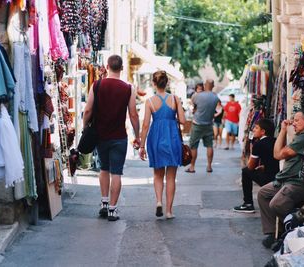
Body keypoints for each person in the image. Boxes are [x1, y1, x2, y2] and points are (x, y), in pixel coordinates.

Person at [83, 55, 140, 221]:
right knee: (116, 173)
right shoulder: (128, 88)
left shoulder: (97, 85)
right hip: (119, 137)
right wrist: (138, 137)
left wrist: (85, 126)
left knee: (104, 169)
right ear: (122, 68)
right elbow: (133, 114)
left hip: (100, 135)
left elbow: (88, 110)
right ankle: (113, 210)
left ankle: (104, 203)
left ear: (107, 66)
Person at [257, 109, 304, 248]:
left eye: (297, 120)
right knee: (263, 193)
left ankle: (295, 228)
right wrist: (283, 129)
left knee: (277, 204)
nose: (293, 123)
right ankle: (273, 233)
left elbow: (277, 154)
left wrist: (283, 131)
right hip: (286, 180)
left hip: (300, 182)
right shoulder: (302, 134)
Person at [139, 71, 185, 219]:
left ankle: (159, 201)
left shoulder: (150, 101)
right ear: (167, 83)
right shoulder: (175, 98)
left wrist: (141, 145)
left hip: (156, 139)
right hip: (172, 138)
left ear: (153, 83)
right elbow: (183, 121)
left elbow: (145, 125)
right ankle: (169, 211)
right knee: (171, 177)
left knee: (158, 175)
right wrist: (173, 119)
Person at [233, 119, 279, 213]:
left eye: (256, 128)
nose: (253, 129)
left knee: (245, 171)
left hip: (269, 179)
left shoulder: (258, 144)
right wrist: (263, 166)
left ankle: (248, 204)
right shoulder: (275, 141)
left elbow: (250, 167)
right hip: (277, 175)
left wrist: (252, 152)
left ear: (263, 132)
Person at [185, 79, 219, 173]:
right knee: (209, 145)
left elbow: (193, 104)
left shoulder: (197, 96)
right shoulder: (215, 97)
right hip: (208, 124)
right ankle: (209, 166)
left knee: (193, 146)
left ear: (205, 85)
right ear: (213, 86)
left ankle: (192, 167)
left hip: (197, 124)